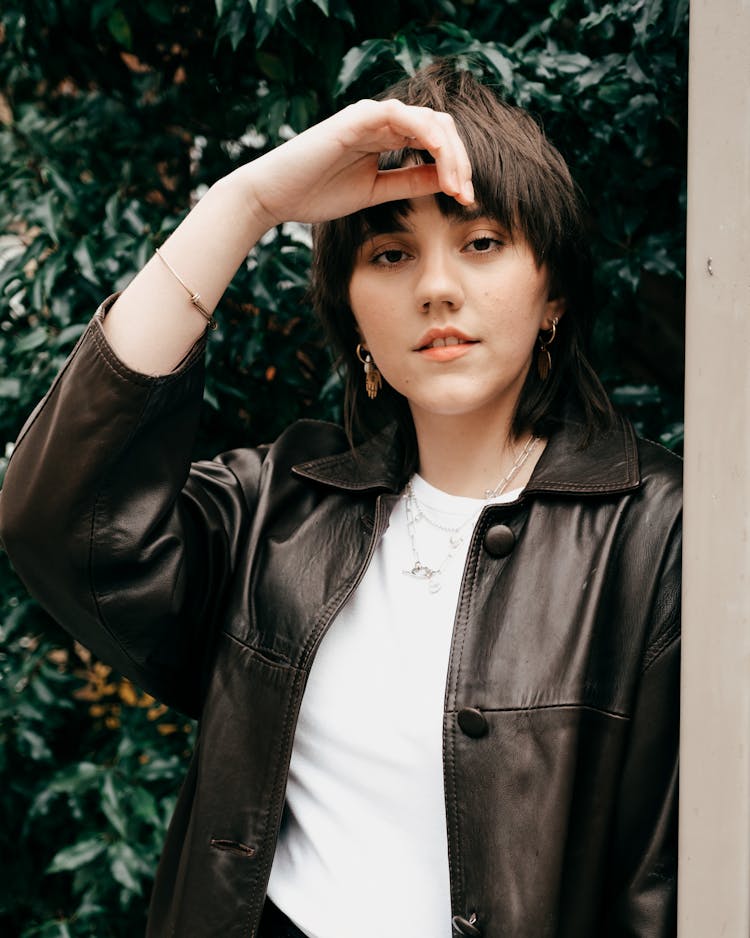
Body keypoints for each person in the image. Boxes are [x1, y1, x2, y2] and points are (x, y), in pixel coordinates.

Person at [0, 63, 680, 938]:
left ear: (552, 293)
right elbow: (61, 519)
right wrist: (244, 204)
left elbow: (661, 888)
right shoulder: (278, 508)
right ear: (353, 316)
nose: (437, 287)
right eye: (391, 254)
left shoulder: (659, 530)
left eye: (481, 243)